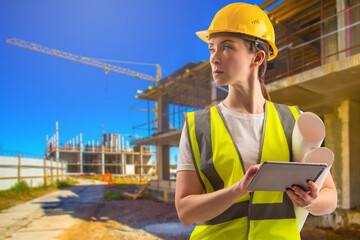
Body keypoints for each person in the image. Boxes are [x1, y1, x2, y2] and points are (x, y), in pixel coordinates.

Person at [175, 2, 337, 240]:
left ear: (258, 57)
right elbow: (185, 212)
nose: (214, 58)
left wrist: (312, 201)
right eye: (211, 49)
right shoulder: (197, 126)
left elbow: (330, 197)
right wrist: (239, 189)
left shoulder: (295, 122)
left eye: (227, 47)